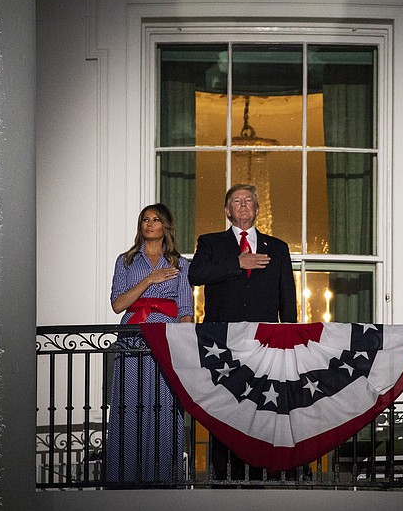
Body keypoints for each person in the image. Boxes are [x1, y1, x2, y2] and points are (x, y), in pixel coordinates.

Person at [188, 184, 297, 481]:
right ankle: (224, 478)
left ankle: (265, 476)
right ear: (227, 211)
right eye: (237, 201)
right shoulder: (210, 243)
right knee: (226, 408)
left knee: (263, 408)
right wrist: (238, 263)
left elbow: (287, 297)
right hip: (223, 344)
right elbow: (195, 275)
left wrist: (290, 338)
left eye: (249, 200)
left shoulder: (278, 247)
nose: (244, 205)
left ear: (258, 209)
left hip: (266, 343)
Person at [107, 203, 193, 484]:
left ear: (165, 226)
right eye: (145, 219)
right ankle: (125, 478)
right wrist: (149, 280)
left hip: (166, 341)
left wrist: (183, 345)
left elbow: (185, 309)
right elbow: (118, 304)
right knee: (130, 404)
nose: (149, 223)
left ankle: (164, 479)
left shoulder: (181, 264)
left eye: (155, 219)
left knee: (165, 405)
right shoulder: (126, 261)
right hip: (132, 340)